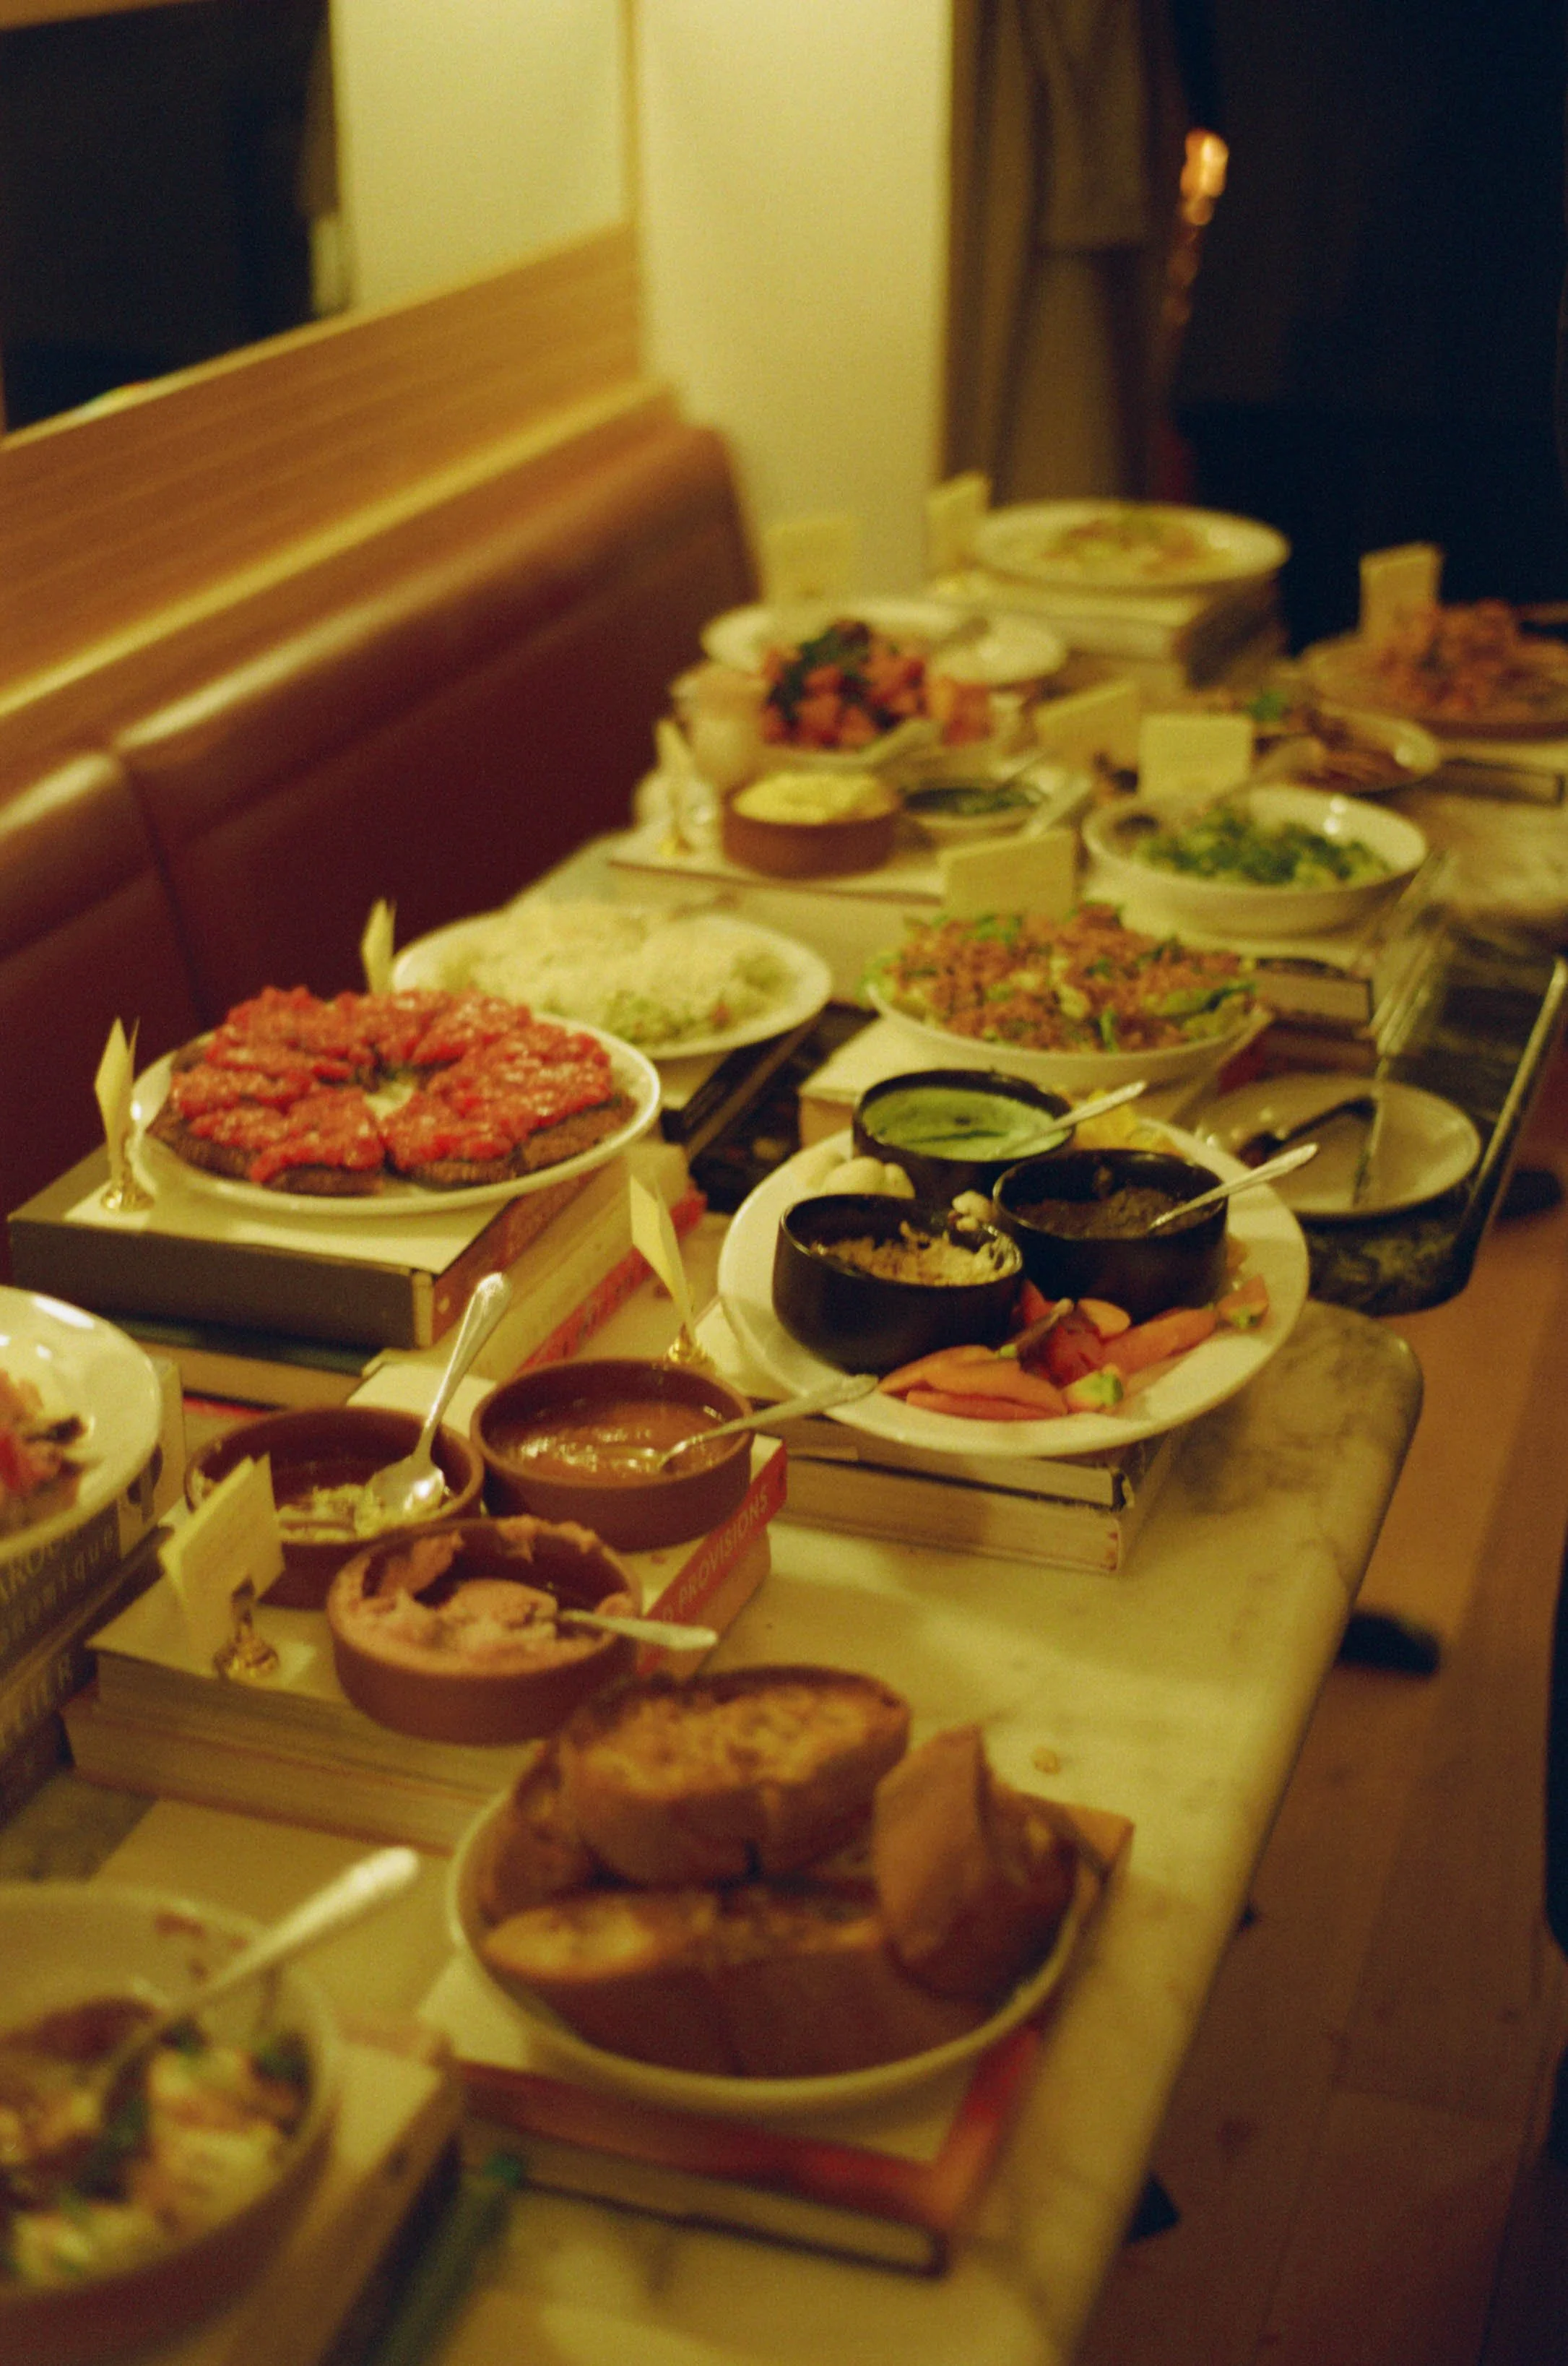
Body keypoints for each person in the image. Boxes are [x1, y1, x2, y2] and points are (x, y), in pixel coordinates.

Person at [1170, 1, 1568, 649]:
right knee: (1461, 686)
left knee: (1263, 691)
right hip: (1463, 339)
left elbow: (1208, 91)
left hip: (1264, 318)